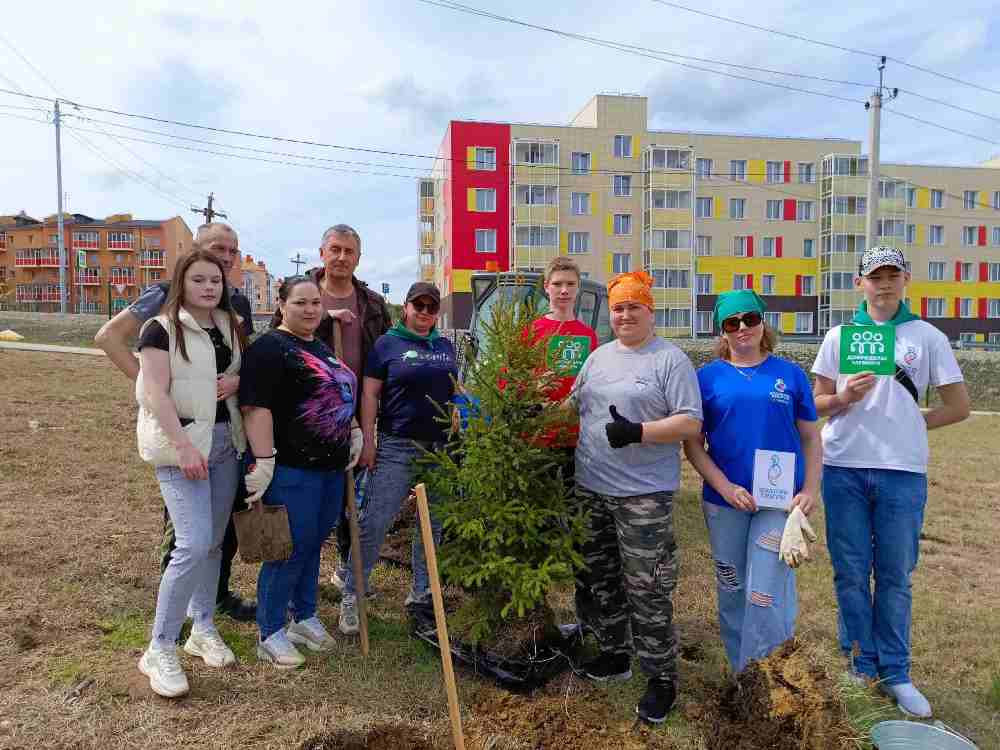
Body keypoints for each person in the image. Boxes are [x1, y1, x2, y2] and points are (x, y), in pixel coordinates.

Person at [812, 246, 969, 718]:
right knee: (852, 573)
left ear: (907, 281)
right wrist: (843, 397)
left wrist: (915, 422)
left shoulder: (928, 337)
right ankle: (861, 665)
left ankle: (897, 673)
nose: (883, 284)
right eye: (874, 276)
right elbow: (815, 403)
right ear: (859, 283)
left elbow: (958, 405)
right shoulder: (840, 336)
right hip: (843, 468)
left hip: (902, 473)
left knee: (897, 576)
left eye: (892, 275)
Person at [96, 222, 257, 622]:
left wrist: (238, 380)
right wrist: (155, 387)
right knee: (189, 534)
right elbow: (109, 338)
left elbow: (243, 358)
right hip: (186, 433)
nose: (226, 255)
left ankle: (214, 597)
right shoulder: (165, 297)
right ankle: (180, 613)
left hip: (226, 432)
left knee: (221, 530)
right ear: (192, 254)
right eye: (217, 247)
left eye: (232, 251)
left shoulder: (237, 303)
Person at [570, 271, 703, 724]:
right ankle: (614, 655)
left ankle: (660, 678)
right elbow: (575, 404)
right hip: (591, 487)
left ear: (650, 311)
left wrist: (639, 432)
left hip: (643, 496)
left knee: (647, 587)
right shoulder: (599, 357)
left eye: (634, 307)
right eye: (619, 308)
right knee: (600, 577)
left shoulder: (670, 360)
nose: (625, 315)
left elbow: (690, 423)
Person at [683, 289, 821, 674]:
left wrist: (810, 489)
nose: (743, 328)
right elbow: (693, 445)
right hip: (725, 501)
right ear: (721, 332)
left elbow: (811, 437)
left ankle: (770, 674)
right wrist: (725, 486)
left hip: (778, 503)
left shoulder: (789, 375)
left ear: (763, 323)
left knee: (764, 591)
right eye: (732, 322)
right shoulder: (706, 379)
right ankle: (741, 674)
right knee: (732, 589)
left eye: (750, 319)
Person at [134, 249, 248, 698]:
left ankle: (203, 626)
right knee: (193, 543)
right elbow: (154, 393)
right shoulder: (159, 330)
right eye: (199, 280)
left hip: (225, 443)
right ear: (182, 283)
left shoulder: (228, 328)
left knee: (216, 542)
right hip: (183, 447)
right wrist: (182, 446)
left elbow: (236, 375)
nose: (208, 287)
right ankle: (160, 646)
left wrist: (237, 383)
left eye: (215, 281)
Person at [238, 276, 360, 668]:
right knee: (286, 549)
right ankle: (270, 630)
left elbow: (337, 390)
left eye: (315, 303)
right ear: (282, 304)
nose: (310, 310)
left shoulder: (318, 345)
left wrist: (354, 429)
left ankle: (303, 616)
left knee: (311, 544)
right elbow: (256, 407)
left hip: (329, 467)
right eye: (300, 302)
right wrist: (264, 459)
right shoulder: (270, 348)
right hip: (292, 467)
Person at [271, 225, 391, 588]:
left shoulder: (371, 304)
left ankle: (345, 569)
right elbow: (278, 339)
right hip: (308, 416)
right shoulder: (302, 292)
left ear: (358, 257)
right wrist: (325, 317)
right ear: (321, 253)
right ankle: (295, 576)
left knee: (351, 494)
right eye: (335, 249)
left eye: (349, 251)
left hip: (357, 410)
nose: (341, 257)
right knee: (311, 498)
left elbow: (385, 355)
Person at [337, 282, 457, 636]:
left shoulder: (446, 346)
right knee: (375, 520)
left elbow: (455, 390)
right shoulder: (387, 344)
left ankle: (421, 595)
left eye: (430, 307)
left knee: (431, 525)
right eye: (417, 305)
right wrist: (369, 439)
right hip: (396, 446)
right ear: (405, 307)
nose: (424, 312)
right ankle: (352, 594)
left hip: (439, 448)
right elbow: (370, 393)